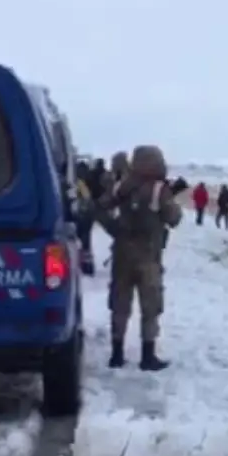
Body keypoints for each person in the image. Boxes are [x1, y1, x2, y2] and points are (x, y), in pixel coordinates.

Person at [93, 144, 182, 371]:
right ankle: (147, 356)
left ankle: (116, 354)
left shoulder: (122, 186)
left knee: (120, 305)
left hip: (122, 255)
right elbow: (173, 218)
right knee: (150, 307)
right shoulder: (158, 190)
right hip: (148, 257)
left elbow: (99, 208)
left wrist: (114, 228)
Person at [74, 160, 96, 276]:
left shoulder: (77, 183)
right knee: (86, 243)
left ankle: (84, 265)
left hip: (81, 216)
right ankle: (87, 266)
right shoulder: (84, 183)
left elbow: (85, 198)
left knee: (80, 241)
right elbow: (88, 198)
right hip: (87, 215)